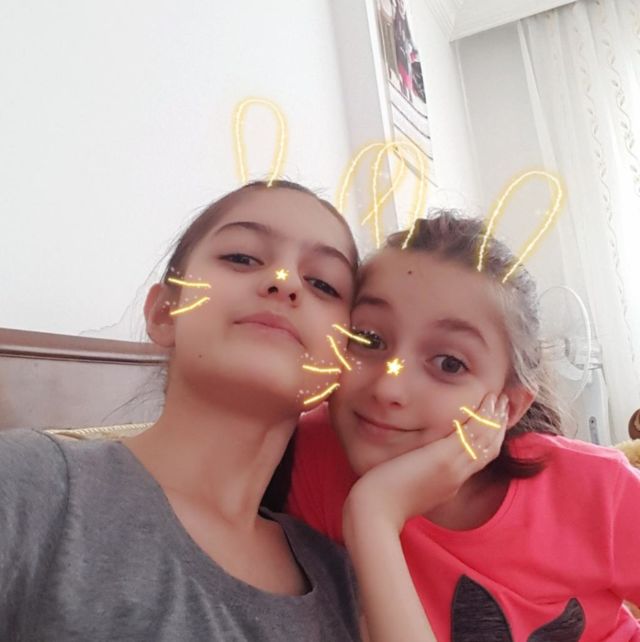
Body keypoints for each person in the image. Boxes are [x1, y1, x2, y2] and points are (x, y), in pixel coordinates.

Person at [0, 180, 362, 641]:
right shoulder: (31, 487)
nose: (285, 281)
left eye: (323, 284)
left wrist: (379, 510)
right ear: (164, 313)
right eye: (242, 257)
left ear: (344, 360)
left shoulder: (344, 576)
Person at [288, 211, 640, 641]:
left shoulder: (597, 489)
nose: (388, 386)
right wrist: (374, 511)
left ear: (509, 406)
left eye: (449, 364)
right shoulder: (309, 454)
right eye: (369, 340)